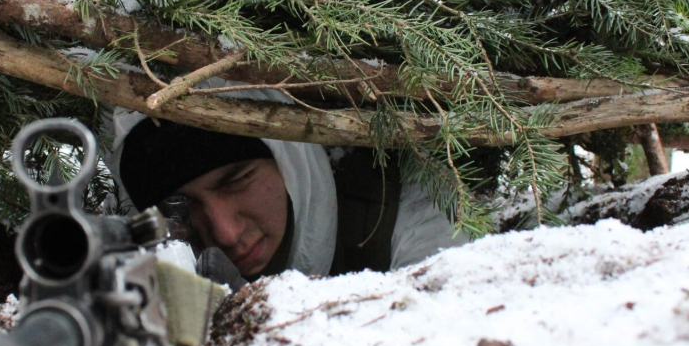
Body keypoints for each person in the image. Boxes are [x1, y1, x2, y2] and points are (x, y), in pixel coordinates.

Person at [104, 98, 468, 282]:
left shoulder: (401, 214)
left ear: (288, 159)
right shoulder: (120, 240)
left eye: (236, 181)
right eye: (180, 207)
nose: (225, 234)